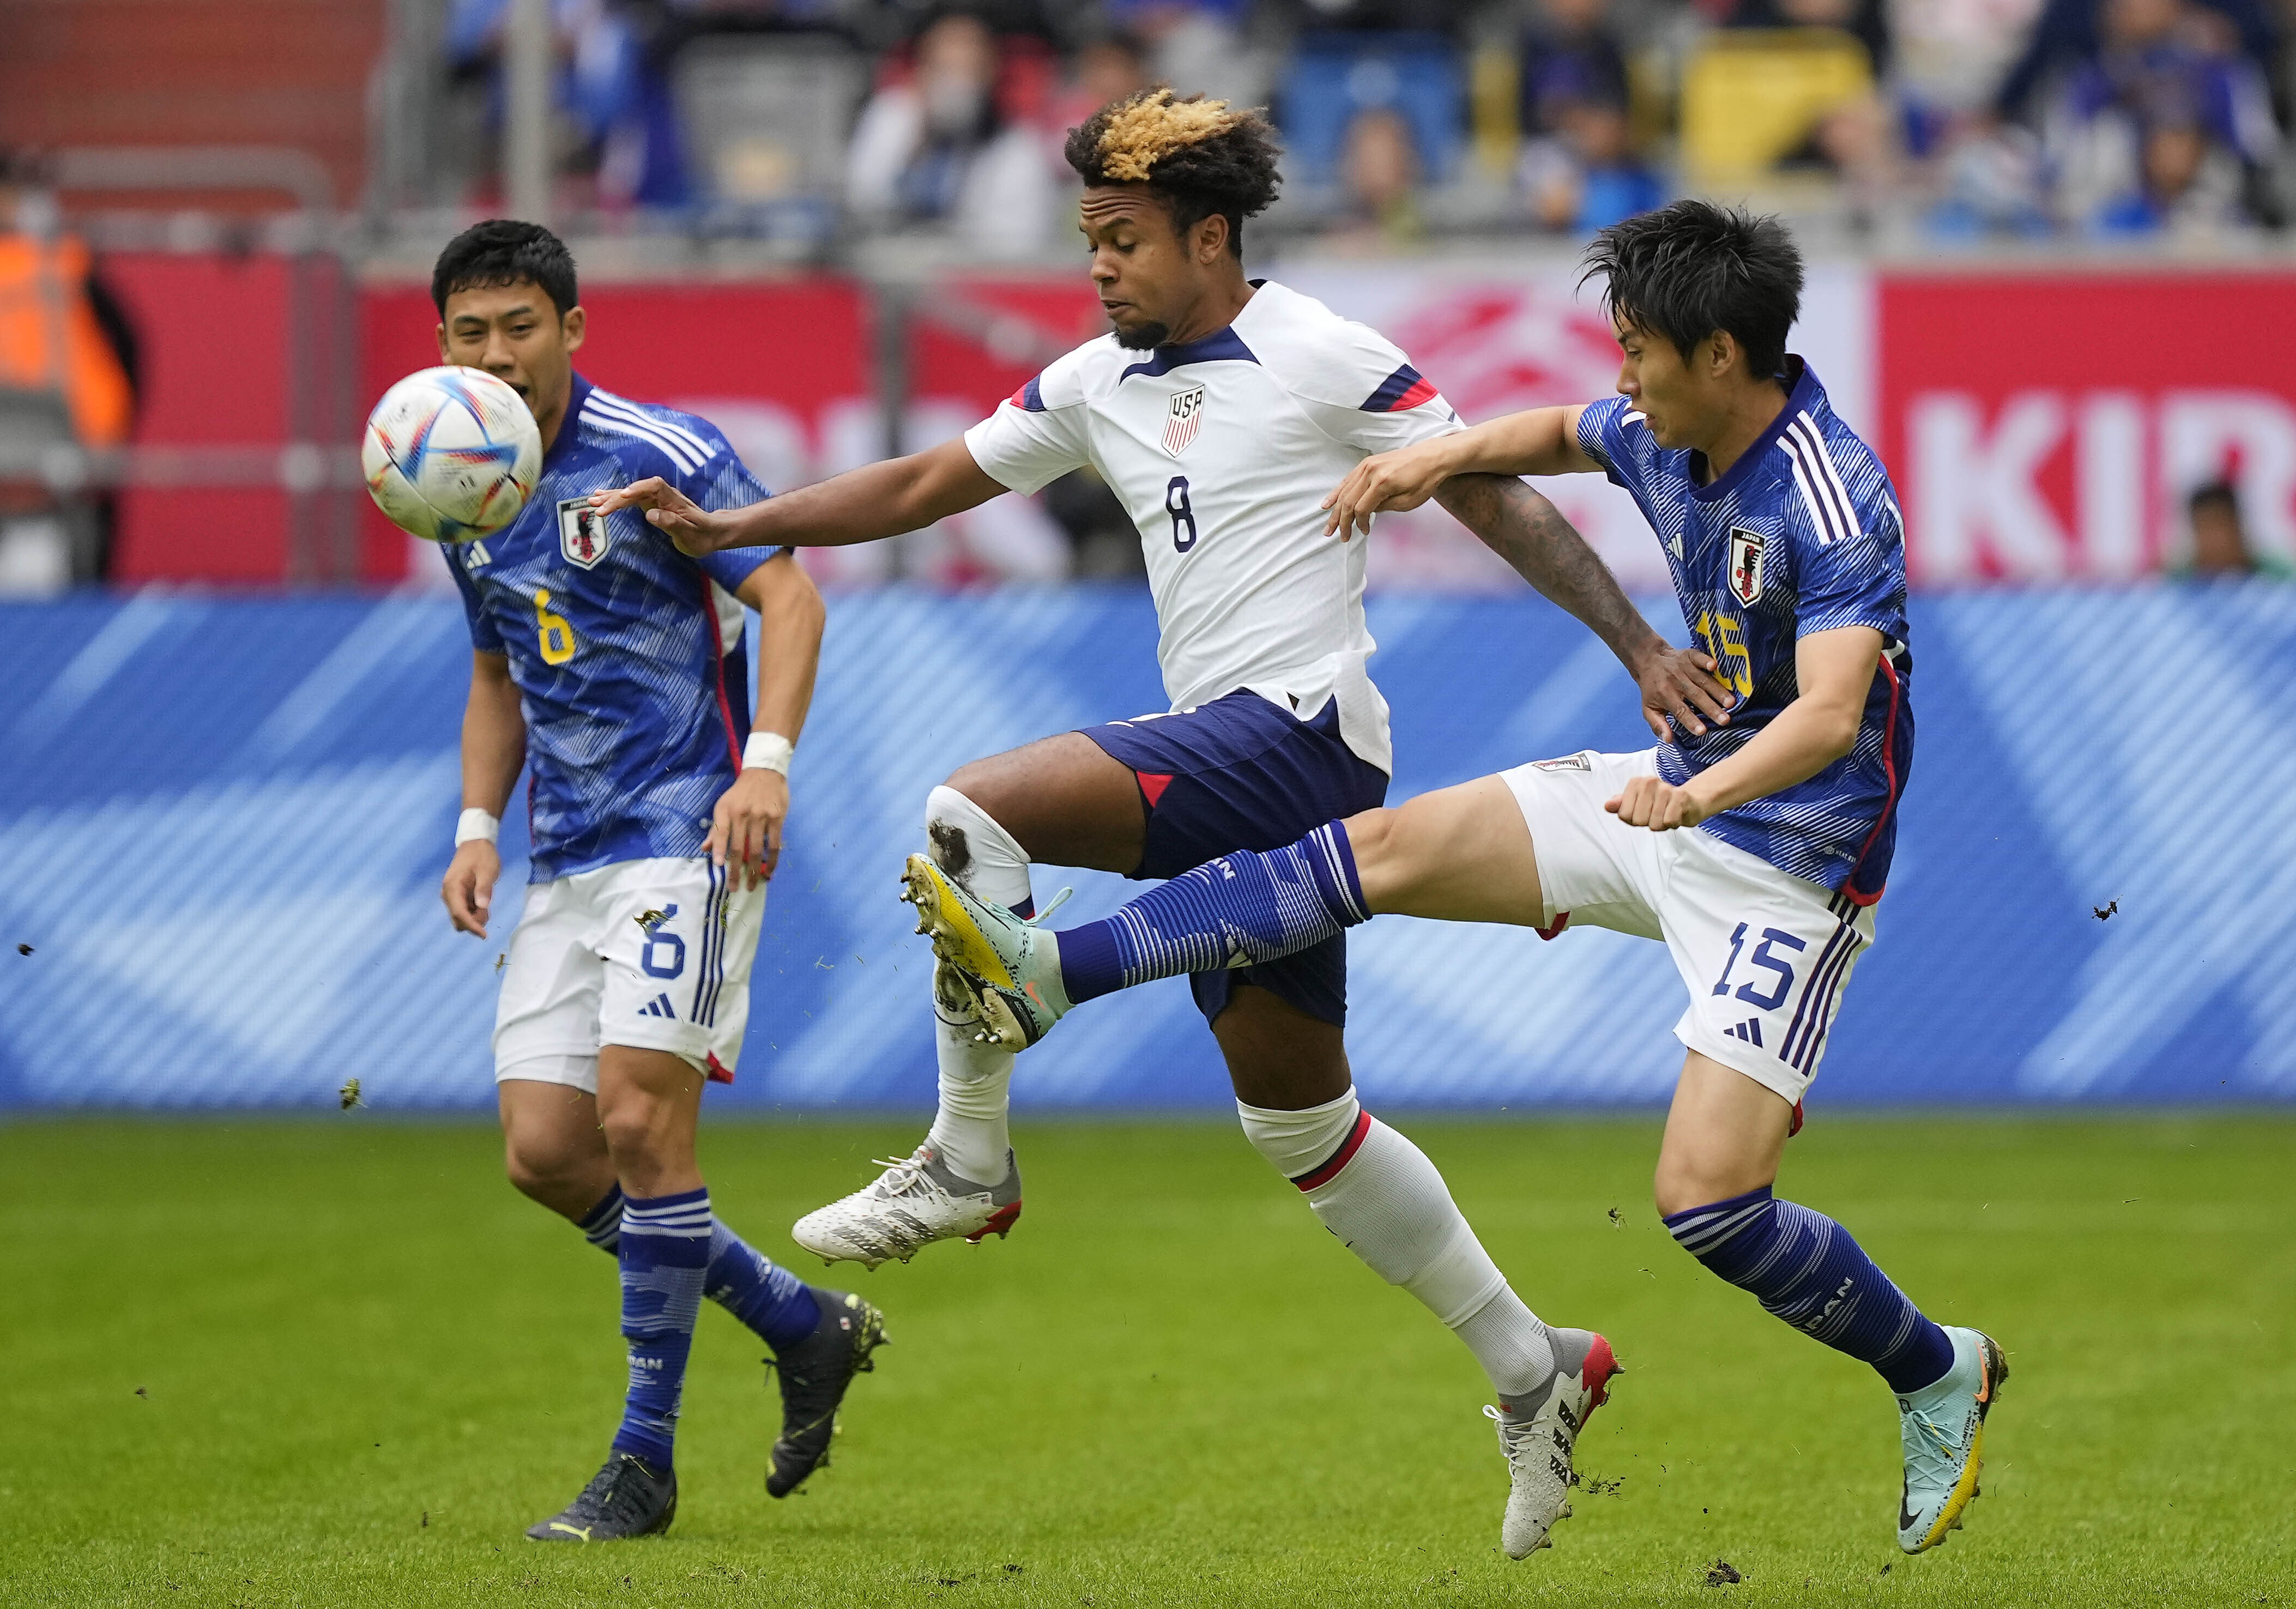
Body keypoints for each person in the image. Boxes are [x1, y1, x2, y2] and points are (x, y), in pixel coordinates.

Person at [595, 90, 1731, 1557]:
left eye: (1123, 241)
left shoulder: (1317, 349)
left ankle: (966, 1155)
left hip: (1302, 745)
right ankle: (1535, 1366)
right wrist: (743, 530)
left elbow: (1486, 491)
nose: (1099, 269)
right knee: (1299, 1121)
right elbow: (926, 482)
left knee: (968, 813)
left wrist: (1637, 649)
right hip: (1221, 760)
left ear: (1209, 237)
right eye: (1088, 242)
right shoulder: (1095, 380)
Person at [910, 201, 2009, 1559]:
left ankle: (1934, 1369)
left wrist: (1700, 790)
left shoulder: (1831, 494)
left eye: (1640, 352)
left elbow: (1834, 715)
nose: (1621, 376)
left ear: (1722, 354)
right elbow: (1552, 431)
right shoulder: (1668, 426)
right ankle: (1047, 975)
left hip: (1792, 867)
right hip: (1660, 805)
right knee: (1385, 850)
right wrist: (1423, 461)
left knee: (1709, 1204)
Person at [425, 220, 883, 1543]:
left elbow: (790, 602)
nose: (499, 354)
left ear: (573, 329)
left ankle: (642, 1464)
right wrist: (475, 825)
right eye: (473, 332)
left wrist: (770, 770)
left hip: (691, 830)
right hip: (566, 856)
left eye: (522, 327)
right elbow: (498, 671)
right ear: (444, 345)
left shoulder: (658, 454)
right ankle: (802, 1325)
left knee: (639, 1128)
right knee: (545, 1153)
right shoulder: (461, 485)